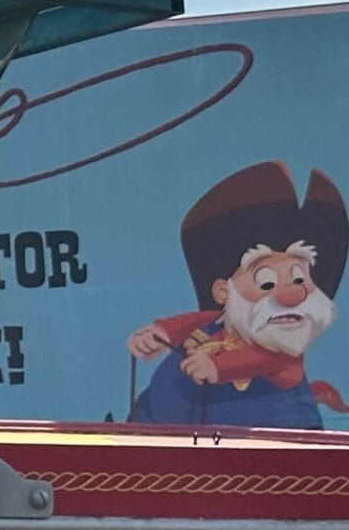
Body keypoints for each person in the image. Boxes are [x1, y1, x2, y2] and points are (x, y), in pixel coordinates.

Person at [129, 161, 347, 428]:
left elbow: (262, 360)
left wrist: (218, 369)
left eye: (299, 278)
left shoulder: (281, 348)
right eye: (266, 282)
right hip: (157, 432)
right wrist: (161, 333)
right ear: (223, 292)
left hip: (261, 451)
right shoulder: (217, 324)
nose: (292, 294)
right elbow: (193, 321)